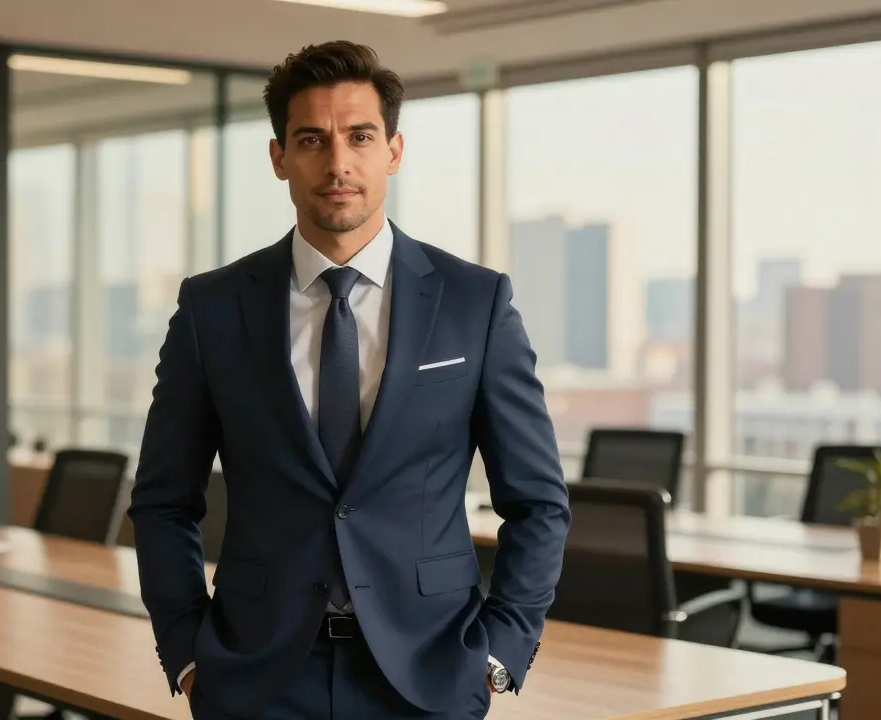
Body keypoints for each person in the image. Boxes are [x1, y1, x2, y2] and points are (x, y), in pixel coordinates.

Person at [129, 40, 570, 720]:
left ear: (393, 150)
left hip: (429, 676)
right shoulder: (212, 310)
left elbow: (537, 501)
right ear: (279, 157)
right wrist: (187, 653)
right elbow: (162, 501)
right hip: (256, 678)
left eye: (360, 137)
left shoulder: (474, 303)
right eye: (311, 139)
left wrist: (500, 652)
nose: (338, 163)